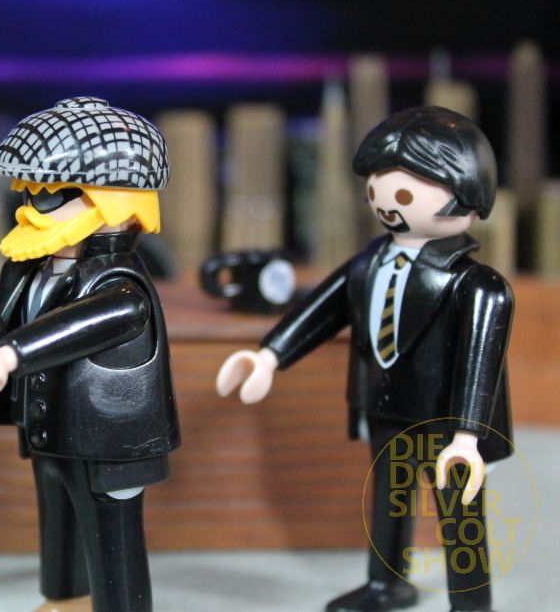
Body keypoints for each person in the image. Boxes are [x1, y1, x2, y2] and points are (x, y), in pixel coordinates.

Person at [216, 106, 513, 612]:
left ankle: (471, 603)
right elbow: (321, 310)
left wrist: (467, 435)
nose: (383, 203)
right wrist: (268, 356)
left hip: (447, 422)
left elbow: (479, 363)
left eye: (403, 194)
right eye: (376, 190)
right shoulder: (369, 263)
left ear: (464, 192)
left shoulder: (478, 285)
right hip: (385, 409)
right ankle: (387, 583)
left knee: (459, 514)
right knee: (389, 501)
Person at [0, 97, 180, 612]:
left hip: (108, 443)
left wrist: (7, 358)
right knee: (59, 524)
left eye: (49, 197)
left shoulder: (121, 285)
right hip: (51, 431)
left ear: (113, 205)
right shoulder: (34, 271)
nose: (28, 210)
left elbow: (80, 326)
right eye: (26, 194)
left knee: (112, 543)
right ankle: (65, 601)